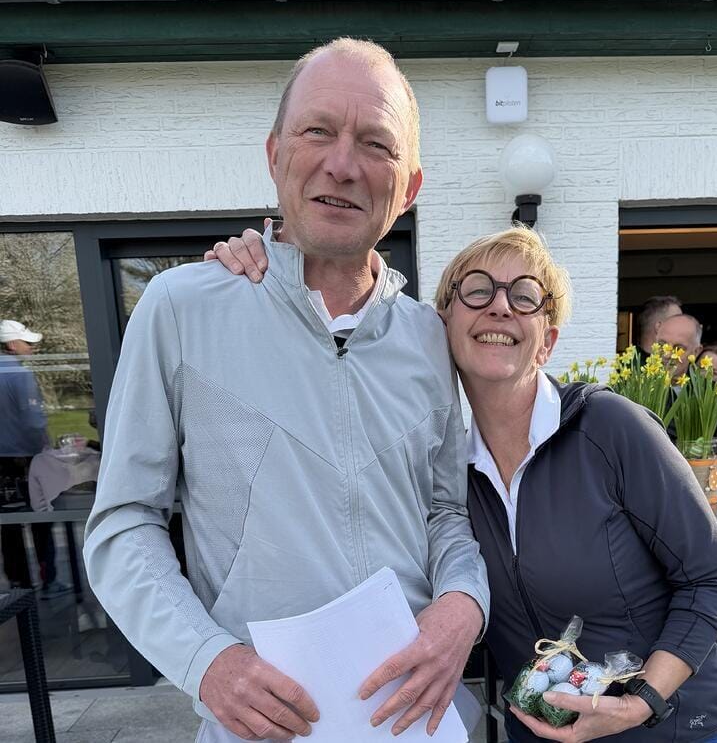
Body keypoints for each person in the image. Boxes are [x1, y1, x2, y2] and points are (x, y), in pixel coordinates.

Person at [84, 38, 489, 743]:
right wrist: (207, 662)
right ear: (274, 155)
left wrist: (463, 603)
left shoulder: (428, 338)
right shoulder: (181, 310)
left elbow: (444, 512)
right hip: (264, 728)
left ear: (409, 187)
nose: (342, 164)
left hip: (413, 722)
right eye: (317, 131)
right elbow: (121, 526)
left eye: (375, 144)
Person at [213, 226, 717, 742]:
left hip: (667, 725)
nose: (500, 306)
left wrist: (639, 702)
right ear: (440, 328)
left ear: (547, 341)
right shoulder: (446, 475)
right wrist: (282, 263)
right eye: (478, 290)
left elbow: (711, 579)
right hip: (540, 730)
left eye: (526, 296)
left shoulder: (609, 428)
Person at [0, 320, 67, 597]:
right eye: (27, 343)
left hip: (2, 461)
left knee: (9, 525)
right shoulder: (19, 375)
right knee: (41, 519)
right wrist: (46, 449)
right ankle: (48, 580)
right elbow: (32, 422)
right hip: (26, 459)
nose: (32, 348)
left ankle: (18, 583)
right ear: (12, 345)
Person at [656, 315, 717, 492]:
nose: (667, 354)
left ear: (696, 352)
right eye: (662, 345)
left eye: (678, 348)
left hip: (695, 490)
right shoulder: (634, 389)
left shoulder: (711, 394)